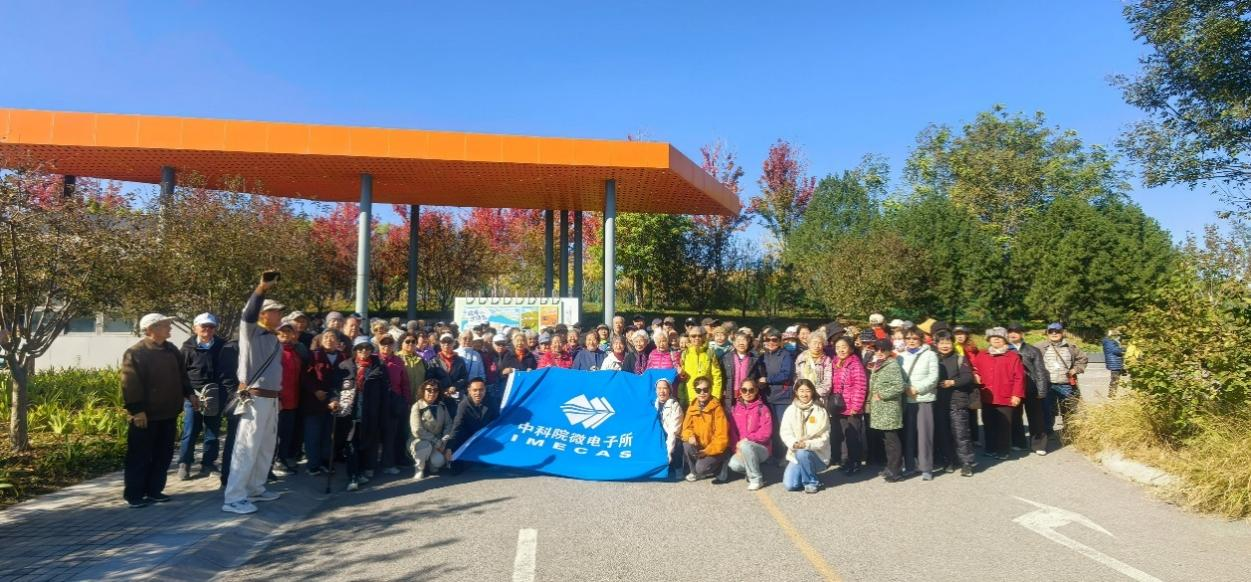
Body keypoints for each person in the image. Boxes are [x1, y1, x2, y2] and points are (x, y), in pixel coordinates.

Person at [222, 274, 285, 515]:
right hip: (255, 397)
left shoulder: (274, 338)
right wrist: (261, 289)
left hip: (271, 398)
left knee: (266, 447)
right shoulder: (251, 332)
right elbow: (248, 314)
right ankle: (234, 497)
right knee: (246, 447)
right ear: (264, 314)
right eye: (276, 311)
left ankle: (255, 488)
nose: (280, 315)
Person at [121, 313, 192, 508]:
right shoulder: (136, 353)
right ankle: (134, 494)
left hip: (168, 413)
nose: (170, 328)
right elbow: (130, 383)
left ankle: (154, 490)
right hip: (145, 416)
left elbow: (182, 375)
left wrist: (190, 394)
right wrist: (137, 410)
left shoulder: (172, 350)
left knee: (163, 455)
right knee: (140, 456)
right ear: (151, 329)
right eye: (165, 325)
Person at [177, 312, 235, 480]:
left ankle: (208, 464)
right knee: (190, 431)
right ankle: (185, 463)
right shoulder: (187, 348)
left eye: (211, 326)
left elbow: (228, 371)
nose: (208, 329)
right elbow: (181, 374)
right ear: (195, 328)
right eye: (204, 326)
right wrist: (189, 394)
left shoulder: (223, 346)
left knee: (212, 431)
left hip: (216, 395)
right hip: (193, 396)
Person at [338, 337, 388, 491]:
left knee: (365, 443)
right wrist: (334, 400)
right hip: (350, 412)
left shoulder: (379, 367)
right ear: (355, 350)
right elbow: (336, 387)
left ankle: (362, 470)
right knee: (351, 443)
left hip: (370, 412)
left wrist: (382, 412)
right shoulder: (345, 366)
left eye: (367, 348)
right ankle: (353, 476)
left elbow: (385, 392)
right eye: (360, 348)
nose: (364, 351)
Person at [974, 327, 1025, 460]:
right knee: (988, 423)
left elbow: (1019, 377)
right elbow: (975, 369)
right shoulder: (982, 355)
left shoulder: (1012, 356)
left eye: (1000, 337)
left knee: (1004, 425)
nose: (996, 339)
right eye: (993, 337)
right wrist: (976, 374)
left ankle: (1003, 450)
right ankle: (990, 448)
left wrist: (1017, 395)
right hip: (987, 396)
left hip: (1005, 396)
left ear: (1005, 340)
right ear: (988, 339)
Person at [898, 327, 940, 480]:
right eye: (908, 338)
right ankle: (910, 465)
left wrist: (917, 389)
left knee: (924, 435)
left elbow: (934, 377)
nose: (911, 341)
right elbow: (898, 376)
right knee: (908, 435)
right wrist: (906, 388)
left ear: (921, 339)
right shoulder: (900, 356)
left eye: (914, 338)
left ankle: (926, 467)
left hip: (924, 399)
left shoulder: (930, 355)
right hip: (907, 399)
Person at [1035, 322, 1088, 442]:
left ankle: (1068, 433)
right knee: (1047, 410)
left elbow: (1083, 359)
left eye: (1057, 331)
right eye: (1051, 331)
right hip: (1047, 385)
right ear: (1047, 333)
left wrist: (1075, 369)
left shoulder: (1071, 347)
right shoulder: (1039, 347)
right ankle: (1048, 432)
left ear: (1062, 333)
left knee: (1068, 409)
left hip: (1065, 384)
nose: (1054, 333)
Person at [933, 331, 976, 476]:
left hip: (957, 400)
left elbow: (968, 377)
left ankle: (966, 463)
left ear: (953, 343)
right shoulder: (933, 359)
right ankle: (949, 460)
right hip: (939, 401)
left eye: (948, 342)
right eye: (942, 343)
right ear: (936, 344)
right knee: (943, 433)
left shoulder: (959, 358)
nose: (945, 346)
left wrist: (952, 382)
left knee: (961, 433)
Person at [304, 331, 345, 476]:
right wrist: (315, 391)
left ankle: (326, 462)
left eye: (332, 337)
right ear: (321, 340)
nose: (329, 340)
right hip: (314, 401)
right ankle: (313, 464)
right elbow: (305, 376)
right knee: (313, 434)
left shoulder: (342, 357)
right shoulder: (314, 355)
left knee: (329, 435)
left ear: (338, 341)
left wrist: (335, 397)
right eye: (326, 337)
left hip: (333, 401)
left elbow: (344, 379)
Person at [1007, 323, 1052, 455]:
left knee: (1036, 417)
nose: (1013, 334)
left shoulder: (1033, 350)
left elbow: (1040, 371)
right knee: (1015, 416)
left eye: (1016, 331)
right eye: (1011, 331)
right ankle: (1018, 442)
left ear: (1022, 334)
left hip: (1031, 387)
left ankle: (1039, 445)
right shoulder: (1005, 350)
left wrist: (1041, 390)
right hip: (1013, 388)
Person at [780, 379, 831, 493]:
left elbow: (824, 438)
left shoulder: (820, 411)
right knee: (790, 485)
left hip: (818, 455)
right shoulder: (790, 410)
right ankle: (806, 473)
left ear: (812, 392)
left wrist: (806, 444)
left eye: (807, 391)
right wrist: (794, 443)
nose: (804, 394)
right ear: (796, 392)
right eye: (801, 391)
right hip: (796, 454)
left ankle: (811, 483)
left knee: (803, 452)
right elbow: (785, 432)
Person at [722, 379, 772, 490]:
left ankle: (756, 479)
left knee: (746, 445)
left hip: (761, 448)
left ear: (756, 391)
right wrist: (736, 448)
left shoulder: (763, 409)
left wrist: (748, 439)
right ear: (740, 391)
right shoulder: (735, 409)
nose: (747, 393)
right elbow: (733, 433)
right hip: (741, 448)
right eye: (744, 390)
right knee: (734, 465)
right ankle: (751, 469)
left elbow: (766, 433)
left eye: (751, 390)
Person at [867, 339, 906, 482]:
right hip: (881, 408)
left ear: (889, 351)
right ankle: (890, 467)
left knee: (892, 440)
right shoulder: (879, 363)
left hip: (889, 408)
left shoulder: (892, 365)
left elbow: (899, 386)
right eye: (877, 349)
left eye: (883, 350)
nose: (879, 352)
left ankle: (896, 471)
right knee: (886, 439)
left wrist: (882, 395)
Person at [829, 336, 867, 475]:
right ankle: (846, 461)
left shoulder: (855, 364)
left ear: (851, 349)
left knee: (853, 437)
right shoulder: (835, 362)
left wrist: (856, 407)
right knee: (844, 436)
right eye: (838, 347)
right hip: (839, 406)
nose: (841, 350)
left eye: (844, 347)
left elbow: (860, 386)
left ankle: (855, 462)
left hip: (851, 407)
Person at [273, 317, 306, 476]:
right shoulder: (274, 351)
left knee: (287, 433)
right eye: (282, 331)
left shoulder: (295, 351)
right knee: (276, 434)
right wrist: (277, 397)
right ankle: (273, 463)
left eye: (288, 331)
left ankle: (283, 458)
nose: (285, 334)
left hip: (293, 400)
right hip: (279, 400)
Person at [679, 377, 729, 482]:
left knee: (701, 468)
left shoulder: (717, 408)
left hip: (714, 448)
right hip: (700, 445)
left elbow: (722, 437)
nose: (702, 393)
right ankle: (694, 472)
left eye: (705, 390)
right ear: (695, 391)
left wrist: (707, 451)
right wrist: (690, 436)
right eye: (698, 390)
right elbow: (685, 429)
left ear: (710, 390)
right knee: (686, 444)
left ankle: (722, 462)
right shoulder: (692, 407)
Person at [759, 328, 796, 463]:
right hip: (767, 396)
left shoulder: (786, 355)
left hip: (782, 396)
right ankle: (774, 454)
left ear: (780, 342)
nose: (771, 342)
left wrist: (768, 380)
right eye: (767, 340)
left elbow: (787, 374)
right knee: (771, 427)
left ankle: (786, 456)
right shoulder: (763, 356)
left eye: (774, 340)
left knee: (783, 427)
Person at [376, 334, 411, 475]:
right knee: (375, 434)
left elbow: (405, 383)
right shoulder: (374, 359)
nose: (386, 346)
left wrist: (406, 401)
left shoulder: (398, 361)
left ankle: (389, 463)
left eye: (389, 344)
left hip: (394, 401)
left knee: (391, 434)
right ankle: (370, 465)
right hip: (376, 401)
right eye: (383, 344)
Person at [409, 379, 452, 480]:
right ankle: (419, 468)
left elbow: (449, 424)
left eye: (435, 390)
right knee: (425, 446)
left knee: (438, 461)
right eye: (429, 390)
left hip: (437, 443)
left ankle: (430, 465)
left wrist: (444, 440)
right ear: (423, 391)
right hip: (420, 441)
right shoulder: (417, 406)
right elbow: (417, 430)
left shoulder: (442, 406)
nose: (432, 393)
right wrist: (436, 441)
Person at [446, 378, 497, 461]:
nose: (478, 393)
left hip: (487, 436)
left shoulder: (491, 402)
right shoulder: (463, 405)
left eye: (481, 390)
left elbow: (497, 421)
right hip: (468, 437)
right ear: (469, 391)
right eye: (475, 390)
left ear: (485, 390)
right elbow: (456, 426)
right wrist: (449, 447)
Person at [720, 330, 763, 414]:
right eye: (738, 340)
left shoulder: (755, 358)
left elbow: (760, 375)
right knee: (731, 416)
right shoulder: (726, 358)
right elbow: (722, 376)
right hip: (731, 394)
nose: (741, 343)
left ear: (748, 342)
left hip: (748, 393)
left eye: (744, 340)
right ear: (733, 343)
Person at [679, 325, 722, 404]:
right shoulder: (685, 354)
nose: (697, 338)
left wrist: (716, 397)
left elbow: (717, 376)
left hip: (708, 397)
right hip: (692, 398)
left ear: (703, 337)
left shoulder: (710, 353)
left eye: (699, 336)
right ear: (689, 338)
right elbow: (683, 378)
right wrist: (682, 374)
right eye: (693, 336)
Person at [428, 333, 469, 407]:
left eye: (449, 342)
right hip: (439, 396)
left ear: (453, 343)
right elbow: (430, 379)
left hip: (456, 397)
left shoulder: (460, 360)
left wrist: (455, 386)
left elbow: (464, 377)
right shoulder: (433, 361)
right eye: (443, 342)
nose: (446, 344)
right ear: (440, 344)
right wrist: (442, 389)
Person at [654, 378, 684, 478]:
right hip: (659, 436)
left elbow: (673, 432)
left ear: (669, 390)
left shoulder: (675, 406)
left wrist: (668, 454)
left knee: (677, 444)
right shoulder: (654, 404)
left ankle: (678, 468)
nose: (661, 391)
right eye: (659, 388)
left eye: (664, 388)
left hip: (672, 436)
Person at [794, 329, 833, 408]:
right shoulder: (801, 357)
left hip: (819, 397)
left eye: (820, 343)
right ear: (809, 344)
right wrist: (800, 392)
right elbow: (797, 376)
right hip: (802, 396)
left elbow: (828, 382)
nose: (817, 346)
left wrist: (814, 393)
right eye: (814, 343)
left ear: (823, 345)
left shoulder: (826, 360)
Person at [1102, 328, 1126, 398]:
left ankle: (1112, 394)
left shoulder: (1109, 342)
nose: (1118, 337)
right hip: (1114, 364)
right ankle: (1111, 395)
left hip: (1115, 363)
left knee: (1115, 380)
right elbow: (1116, 351)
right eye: (1117, 335)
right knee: (1115, 380)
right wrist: (1123, 349)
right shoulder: (1110, 343)